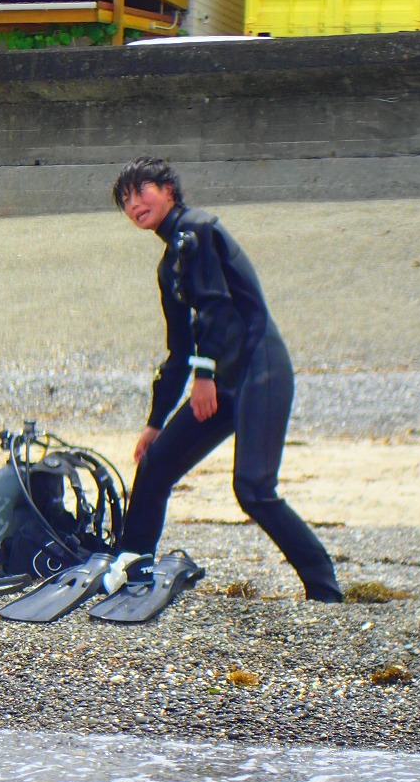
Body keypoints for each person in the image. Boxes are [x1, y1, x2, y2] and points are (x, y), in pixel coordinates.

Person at [112, 156, 343, 603]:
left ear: (168, 191)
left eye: (141, 191)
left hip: (260, 369)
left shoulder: (198, 228)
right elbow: (178, 350)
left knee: (253, 489)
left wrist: (205, 375)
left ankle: (324, 590)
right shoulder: (169, 265)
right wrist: (155, 422)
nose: (133, 204)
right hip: (221, 378)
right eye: (124, 200)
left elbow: (218, 308)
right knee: (156, 462)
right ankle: (132, 564)